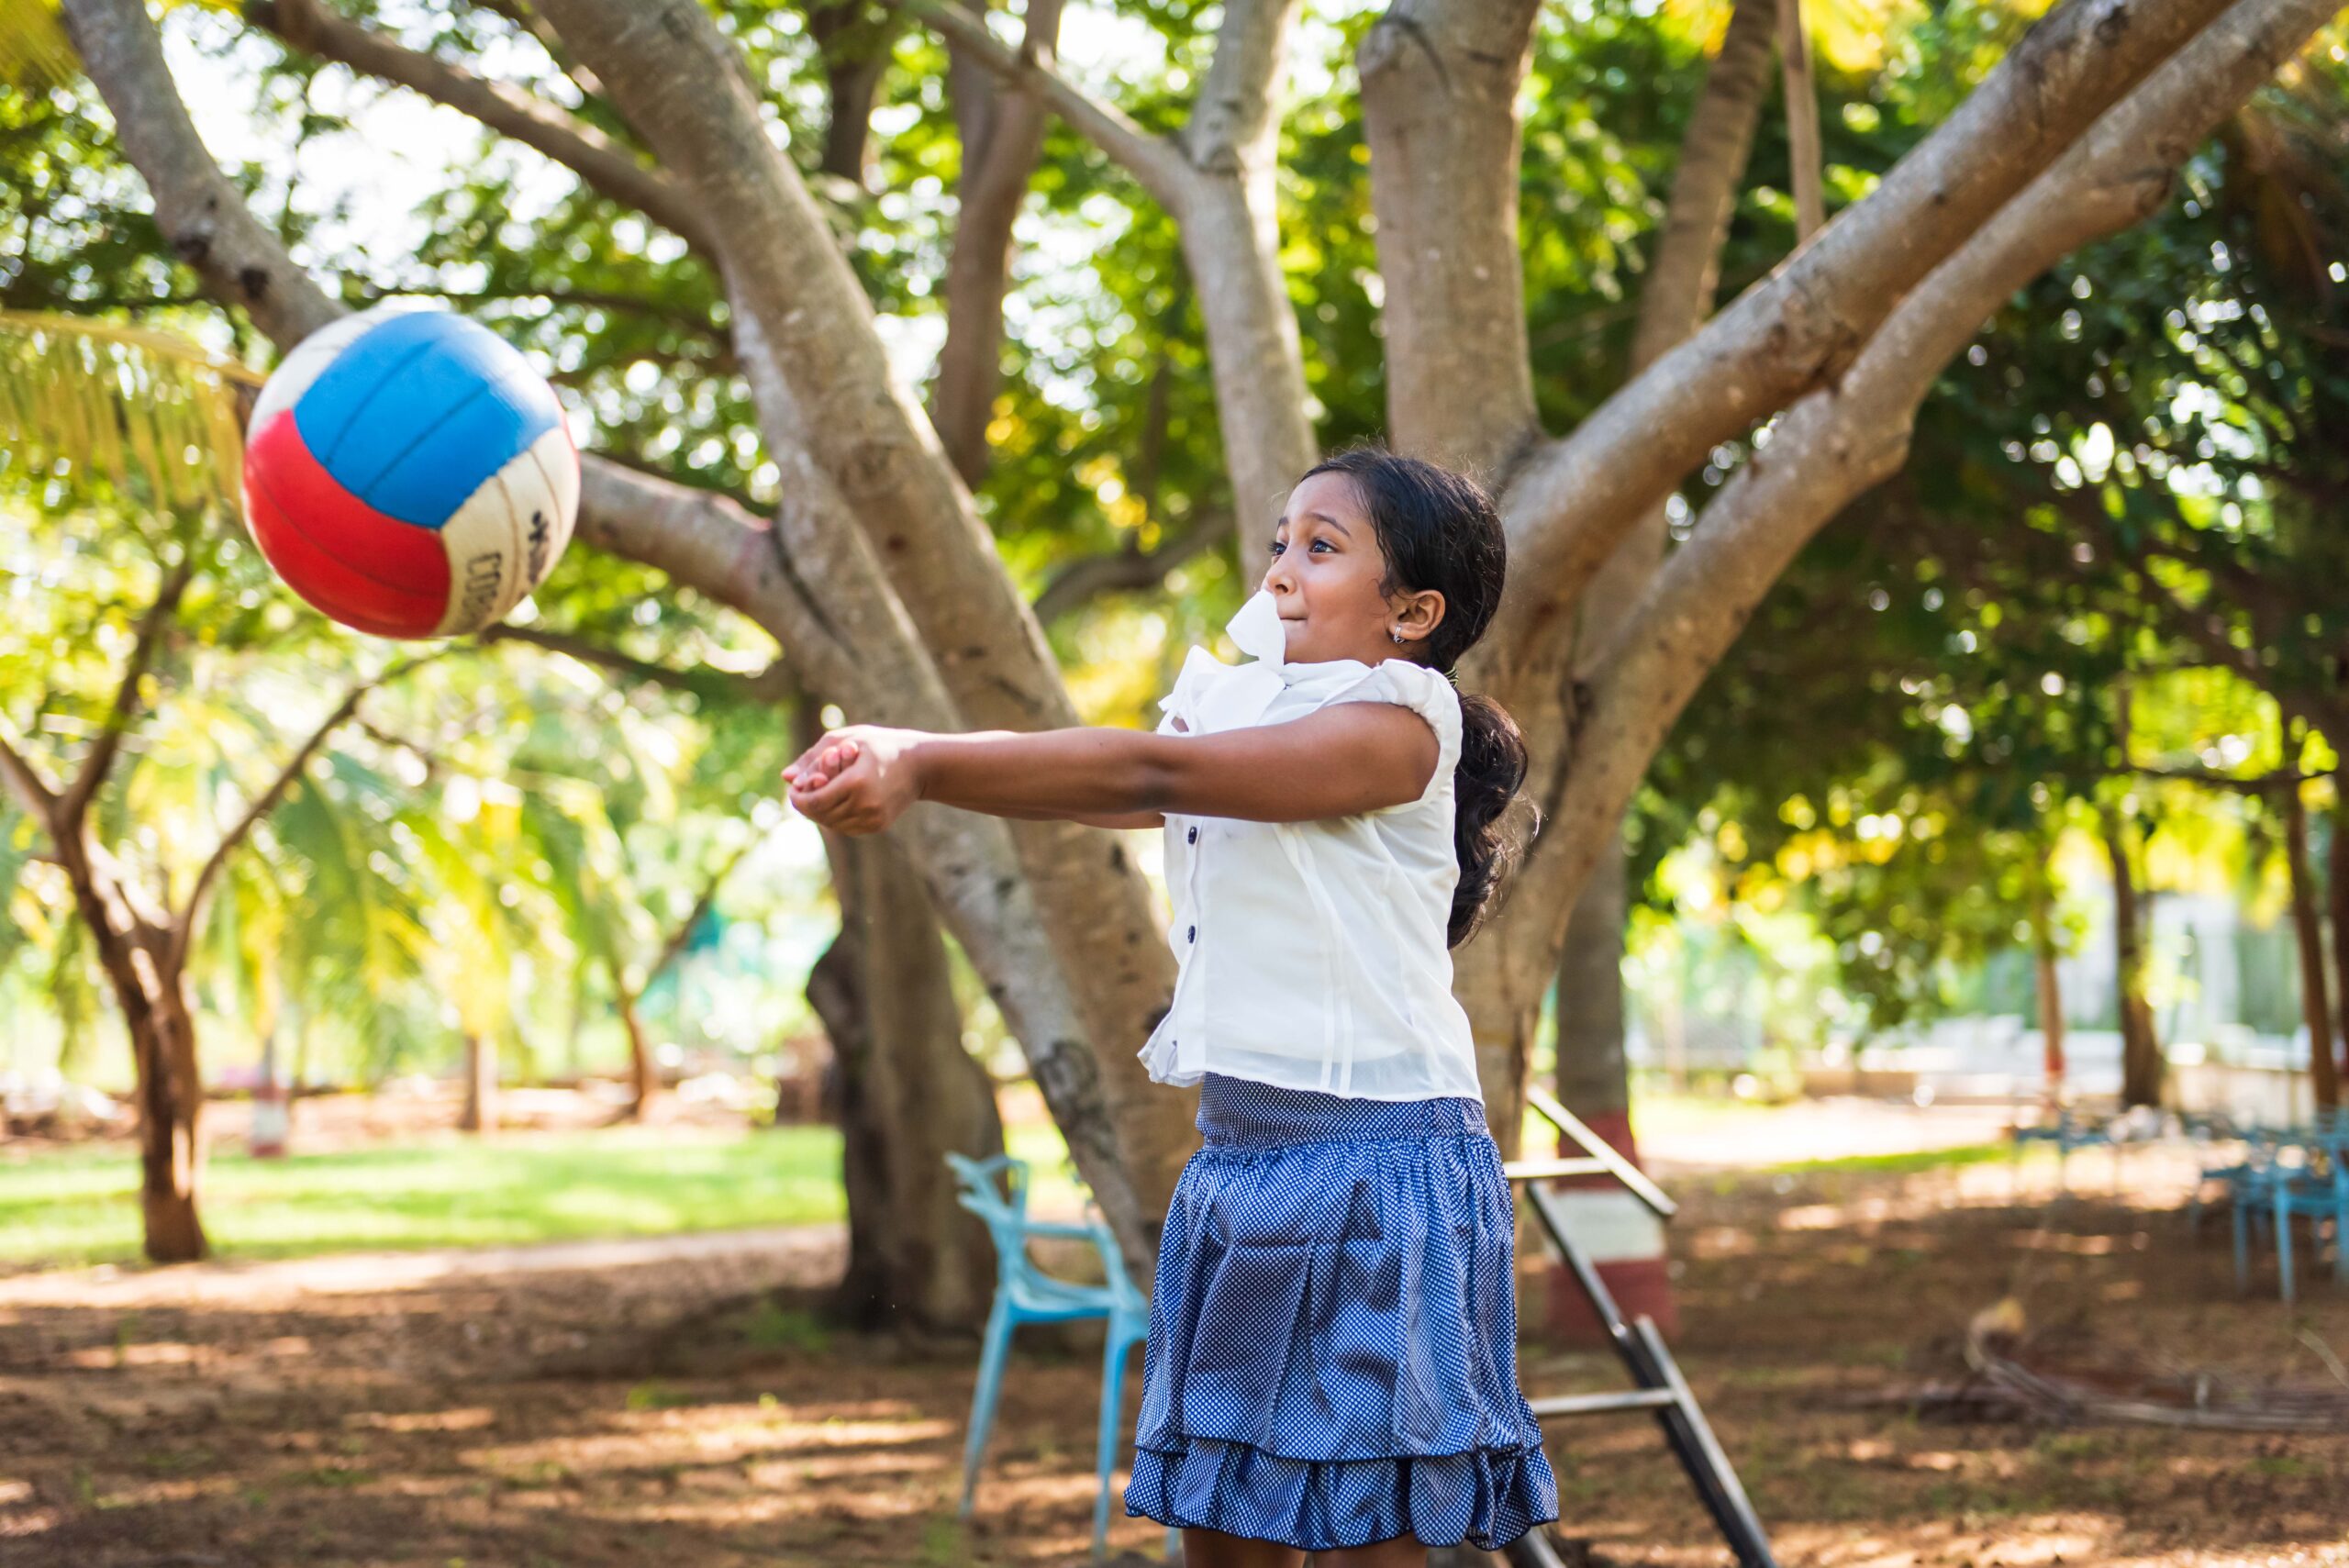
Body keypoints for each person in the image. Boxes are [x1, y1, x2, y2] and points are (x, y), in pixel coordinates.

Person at [783, 445, 1560, 1566]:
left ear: (1412, 610)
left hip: (1383, 1166)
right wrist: (897, 755)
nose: (1281, 568)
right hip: (1240, 1159)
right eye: (1281, 541)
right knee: (1221, 1517)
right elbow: (1113, 773)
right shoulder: (1244, 709)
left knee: (1367, 1536)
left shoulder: (1399, 724)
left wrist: (923, 762)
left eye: (1322, 547)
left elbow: (1152, 773)